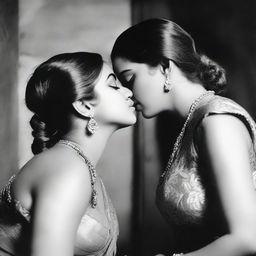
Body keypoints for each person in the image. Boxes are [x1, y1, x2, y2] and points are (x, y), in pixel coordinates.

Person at [111, 18, 256, 256]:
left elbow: (248, 239)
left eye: (129, 79)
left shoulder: (217, 121)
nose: (127, 93)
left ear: (165, 67)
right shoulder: (193, 122)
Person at [0, 52, 136, 256]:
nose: (128, 92)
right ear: (84, 105)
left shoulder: (79, 165)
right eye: (114, 86)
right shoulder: (67, 169)